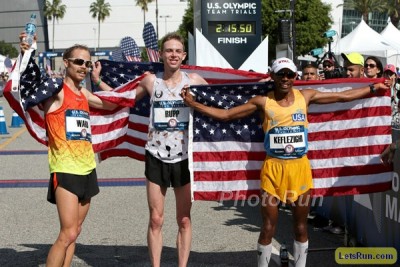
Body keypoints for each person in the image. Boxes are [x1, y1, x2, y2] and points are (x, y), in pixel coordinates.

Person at [180, 57, 388, 267]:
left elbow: (343, 96)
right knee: (268, 226)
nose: (286, 79)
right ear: (273, 76)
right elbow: (225, 115)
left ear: (295, 76)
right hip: (273, 170)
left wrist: (373, 88)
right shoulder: (262, 101)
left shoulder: (305, 96)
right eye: (281, 74)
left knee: (300, 227)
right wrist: (193, 104)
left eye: (290, 74)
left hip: (300, 170)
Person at [91, 32, 208, 267]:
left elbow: (221, 99)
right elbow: (122, 99)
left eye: (177, 51)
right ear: (161, 55)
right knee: (156, 219)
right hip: (156, 155)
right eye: (169, 50)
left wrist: (259, 87)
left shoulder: (193, 80)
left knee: (184, 219)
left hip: (185, 158)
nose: (173, 54)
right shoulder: (151, 81)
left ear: (183, 55)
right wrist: (98, 82)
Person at [19, 32, 119, 267]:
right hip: (64, 168)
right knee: (67, 233)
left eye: (87, 63)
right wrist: (27, 51)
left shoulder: (82, 93)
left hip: (87, 168)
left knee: (76, 230)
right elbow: (29, 80)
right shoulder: (56, 90)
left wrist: (98, 79)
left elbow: (111, 103)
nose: (83, 67)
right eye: (78, 62)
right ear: (66, 62)